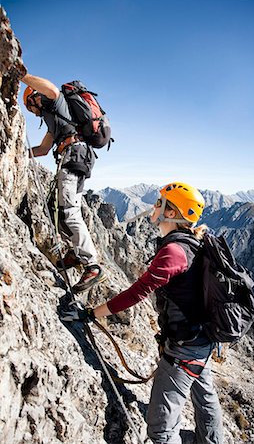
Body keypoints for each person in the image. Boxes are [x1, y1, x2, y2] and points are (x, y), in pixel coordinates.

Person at [62, 181, 224, 444]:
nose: (154, 206)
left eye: (160, 203)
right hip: (202, 341)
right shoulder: (192, 244)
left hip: (184, 350)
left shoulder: (173, 251)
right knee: (205, 399)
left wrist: (91, 314)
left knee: (161, 431)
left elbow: (136, 293)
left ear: (171, 213)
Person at [21, 73, 106, 292]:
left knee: (68, 210)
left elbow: (50, 88)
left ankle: (92, 265)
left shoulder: (54, 102)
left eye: (31, 106)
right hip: (74, 156)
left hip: (74, 155)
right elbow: (42, 150)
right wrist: (19, 152)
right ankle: (75, 253)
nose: (33, 112)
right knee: (55, 208)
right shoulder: (53, 123)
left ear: (34, 97)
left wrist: (22, 76)